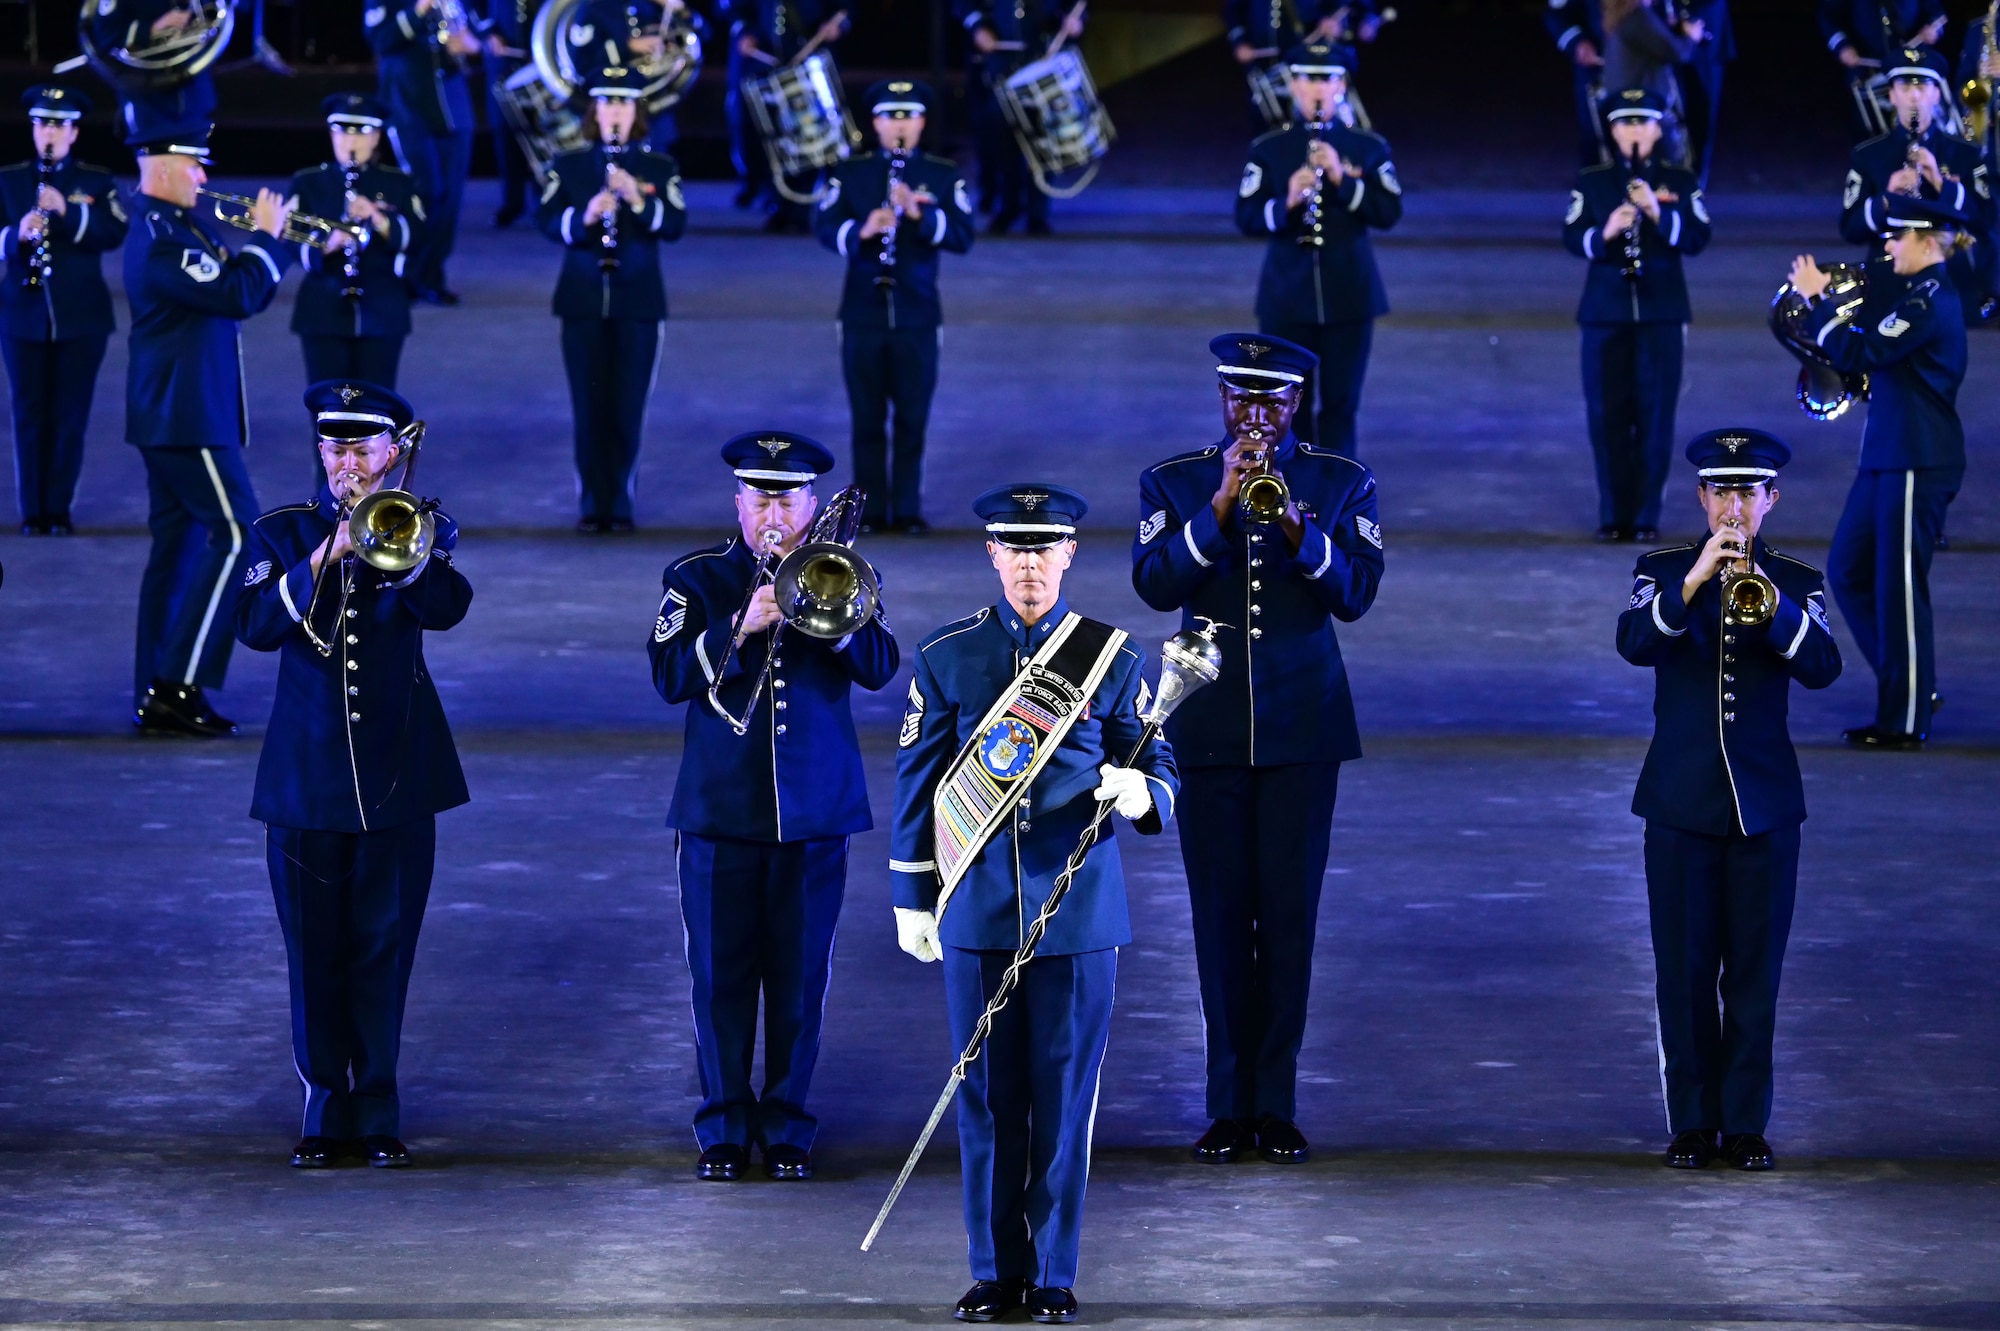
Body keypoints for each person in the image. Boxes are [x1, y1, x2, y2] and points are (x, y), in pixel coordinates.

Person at [892, 482, 1177, 1326]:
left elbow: (1153, 755)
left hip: (1079, 913)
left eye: (1043, 548)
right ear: (991, 555)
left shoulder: (1113, 658)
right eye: (1013, 549)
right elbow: (918, 783)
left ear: (1068, 555)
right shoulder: (948, 654)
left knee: (1064, 1098)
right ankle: (994, 1270)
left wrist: (1142, 789)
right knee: (984, 1100)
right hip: (976, 906)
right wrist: (913, 894)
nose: (1028, 564)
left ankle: (1052, 1271)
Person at [1131, 333, 1382, 1167]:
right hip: (1206, 730)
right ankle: (1225, 1105)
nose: (1256, 417)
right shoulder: (1174, 482)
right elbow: (1155, 582)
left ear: (1296, 404)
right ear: (1222, 401)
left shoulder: (1343, 484)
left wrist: (1303, 530)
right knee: (1216, 922)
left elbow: (1355, 594)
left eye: (1271, 402)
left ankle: (1274, 1104)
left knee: (1288, 922)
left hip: (1302, 731)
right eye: (1242, 401)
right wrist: (1221, 509)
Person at [648, 431, 898, 1182]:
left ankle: (787, 1121)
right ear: (738, 503)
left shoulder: (845, 571)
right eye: (760, 499)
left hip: (816, 812)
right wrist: (739, 623)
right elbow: (666, 673)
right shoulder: (697, 577)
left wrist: (830, 608)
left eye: (787, 499)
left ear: (811, 504)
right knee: (720, 978)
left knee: (798, 977)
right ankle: (723, 1123)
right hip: (719, 812)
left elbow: (883, 667)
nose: (773, 514)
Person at [236, 380, 472, 1170]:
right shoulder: (278, 532)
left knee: (385, 947)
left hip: (400, 775)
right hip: (304, 778)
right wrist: (324, 552)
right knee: (314, 952)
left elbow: (447, 607)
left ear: (392, 455)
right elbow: (255, 625)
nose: (347, 466)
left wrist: (400, 554)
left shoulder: (421, 524)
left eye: (362, 451)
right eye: (334, 449)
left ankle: (375, 1106)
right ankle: (321, 1106)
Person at [1615, 428, 1841, 1172]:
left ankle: (1743, 1121)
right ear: (1702, 498)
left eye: (1750, 492)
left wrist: (1774, 608)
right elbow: (1633, 643)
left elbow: (1824, 668)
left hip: (1765, 809)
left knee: (1754, 973)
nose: (1735, 508)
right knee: (1682, 972)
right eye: (1723, 492)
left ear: (1772, 499)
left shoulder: (1799, 582)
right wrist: (1692, 585)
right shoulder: (1661, 569)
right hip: (1679, 804)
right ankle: (1691, 1120)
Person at [123, 114, 296, 738]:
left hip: (179, 413)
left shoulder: (173, 227)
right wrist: (269, 240)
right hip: (185, 415)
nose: (202, 176)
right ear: (165, 168)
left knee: (176, 550)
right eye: (194, 165)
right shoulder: (162, 235)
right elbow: (235, 295)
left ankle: (154, 682)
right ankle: (176, 685)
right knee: (236, 536)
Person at [1789, 193, 1969, 749]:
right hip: (1889, 455)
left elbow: (1857, 351)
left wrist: (1818, 301)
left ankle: (1906, 716)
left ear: (1925, 240)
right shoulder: (1916, 295)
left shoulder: (1930, 301)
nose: (1887, 245)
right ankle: (1912, 684)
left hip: (1916, 457)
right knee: (1847, 569)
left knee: (1900, 591)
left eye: (1897, 236)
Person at [813, 80, 975, 535]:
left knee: (911, 418)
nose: (899, 124)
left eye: (908, 115)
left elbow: (963, 235)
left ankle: (905, 509)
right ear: (876, 123)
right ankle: (866, 512)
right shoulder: (851, 173)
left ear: (922, 122)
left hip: (918, 313)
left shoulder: (943, 175)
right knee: (866, 418)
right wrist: (861, 230)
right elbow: (823, 225)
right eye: (890, 116)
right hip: (862, 311)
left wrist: (922, 216)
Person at [535, 67, 686, 533]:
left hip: (639, 304)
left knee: (627, 406)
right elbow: (545, 220)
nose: (614, 113)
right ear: (594, 112)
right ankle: (590, 504)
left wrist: (637, 202)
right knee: (588, 405)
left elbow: (676, 225)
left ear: (636, 112)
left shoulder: (659, 167)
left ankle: (619, 503)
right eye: (607, 104)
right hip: (580, 301)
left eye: (623, 104)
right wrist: (584, 217)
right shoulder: (570, 165)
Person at [1233, 41, 1401, 455]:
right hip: (1286, 299)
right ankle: (1292, 507)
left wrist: (1345, 180)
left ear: (1341, 85)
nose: (1316, 89)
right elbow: (1246, 216)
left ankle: (1341, 503)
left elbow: (1389, 211)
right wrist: (1286, 202)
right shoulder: (1269, 149)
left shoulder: (1367, 147)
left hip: (1351, 296)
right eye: (1306, 79)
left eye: (1325, 79)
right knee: (1288, 410)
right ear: (1292, 85)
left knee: (1341, 409)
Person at [1562, 89, 1711, 542]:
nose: (1634, 132)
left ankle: (1646, 515)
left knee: (1655, 413)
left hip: (1661, 311)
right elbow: (1572, 237)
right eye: (1625, 124)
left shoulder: (1680, 180)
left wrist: (1656, 214)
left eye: (1642, 123)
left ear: (1658, 128)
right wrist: (1605, 231)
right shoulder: (1594, 181)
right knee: (1607, 413)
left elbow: (1699, 236)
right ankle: (1613, 513)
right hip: (1604, 312)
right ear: (1612, 130)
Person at [0, 86, 127, 535]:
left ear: (74, 133)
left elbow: (115, 231)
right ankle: (32, 511)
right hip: (21, 315)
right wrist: (15, 233)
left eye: (58, 125)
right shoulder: (10, 178)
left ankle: (58, 510)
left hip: (82, 319)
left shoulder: (95, 181)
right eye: (42, 123)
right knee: (29, 414)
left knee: (70, 417)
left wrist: (68, 213)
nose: (48, 133)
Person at [1839, 47, 1995, 325]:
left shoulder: (1965, 154)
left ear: (1937, 94)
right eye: (1904, 86)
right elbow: (1850, 228)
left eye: (1923, 86)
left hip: (1948, 282)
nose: (1914, 96)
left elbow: (1987, 220)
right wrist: (1886, 198)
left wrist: (1940, 182)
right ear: (1891, 95)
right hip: (1887, 281)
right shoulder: (1868, 154)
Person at [288, 94, 425, 390]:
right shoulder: (308, 182)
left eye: (361, 132)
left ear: (376, 137)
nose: (350, 140)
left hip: (383, 309)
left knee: (378, 410)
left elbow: (421, 238)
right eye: (341, 130)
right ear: (331, 134)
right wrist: (327, 243)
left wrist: (379, 219)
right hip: (322, 312)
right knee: (328, 412)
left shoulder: (398, 182)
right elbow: (289, 239)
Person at [366, 0, 479, 305]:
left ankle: (431, 275)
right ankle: (408, 271)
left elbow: (474, 34)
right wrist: (418, 10)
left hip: (455, 109)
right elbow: (380, 39)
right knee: (426, 193)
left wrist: (470, 45)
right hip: (408, 107)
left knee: (451, 199)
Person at [959, 0, 1085, 234]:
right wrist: (978, 27)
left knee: (1044, 139)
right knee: (1002, 138)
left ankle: (1038, 214)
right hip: (1001, 64)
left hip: (1044, 60)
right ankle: (1009, 206)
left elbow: (1072, 7)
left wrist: (1074, 21)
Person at [727, 0, 848, 232]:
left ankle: (800, 207)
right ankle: (775, 200)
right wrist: (744, 30)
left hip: (808, 57)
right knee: (765, 133)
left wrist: (837, 26)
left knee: (807, 132)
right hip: (762, 59)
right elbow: (733, 7)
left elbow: (845, 9)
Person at [1818, 0, 1945, 137]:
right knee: (1865, 134)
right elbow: (1827, 14)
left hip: (1912, 64)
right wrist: (1842, 46)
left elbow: (1937, 12)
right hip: (1867, 67)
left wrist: (1934, 29)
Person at [1598, 0, 1702, 165]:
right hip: (1644, 107)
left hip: (1625, 104)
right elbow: (1675, 52)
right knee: (1662, 169)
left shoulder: (1620, 15)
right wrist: (1691, 36)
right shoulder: (1638, 15)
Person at [474, 0, 540, 227]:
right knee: (505, 134)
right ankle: (513, 202)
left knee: (543, 133)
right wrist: (489, 31)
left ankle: (547, 201)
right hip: (502, 60)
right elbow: (474, 5)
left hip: (539, 54)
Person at [1674, 0, 1733, 187]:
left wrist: (1688, 18)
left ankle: (1695, 186)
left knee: (1703, 118)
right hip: (1666, 35)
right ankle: (1668, 180)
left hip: (1708, 33)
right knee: (1668, 117)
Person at [1546, 0, 1611, 166]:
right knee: (1596, 137)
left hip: (1654, 65)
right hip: (1599, 66)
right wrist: (1578, 42)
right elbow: (1556, 14)